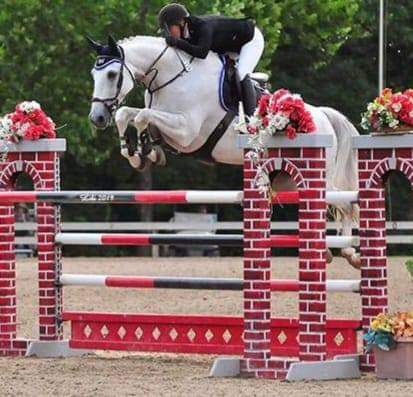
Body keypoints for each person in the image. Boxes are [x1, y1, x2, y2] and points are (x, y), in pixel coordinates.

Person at [157, 3, 265, 116]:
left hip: (250, 40)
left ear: (181, 22)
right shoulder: (188, 32)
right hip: (230, 46)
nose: (168, 34)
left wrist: (177, 43)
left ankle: (251, 116)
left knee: (241, 73)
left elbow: (201, 53)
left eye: (169, 28)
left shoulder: (203, 26)